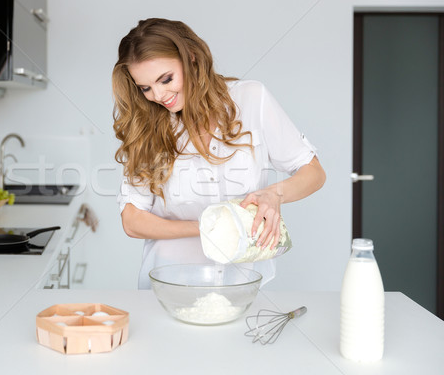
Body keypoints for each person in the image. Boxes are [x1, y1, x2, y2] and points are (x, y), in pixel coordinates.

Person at [112, 18, 326, 289]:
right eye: (145, 88)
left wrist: (273, 194)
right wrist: (208, 226)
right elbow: (132, 220)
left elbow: (314, 172)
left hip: (244, 283)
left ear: (190, 57)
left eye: (166, 79)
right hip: (169, 284)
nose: (158, 95)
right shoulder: (146, 127)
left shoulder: (251, 99)